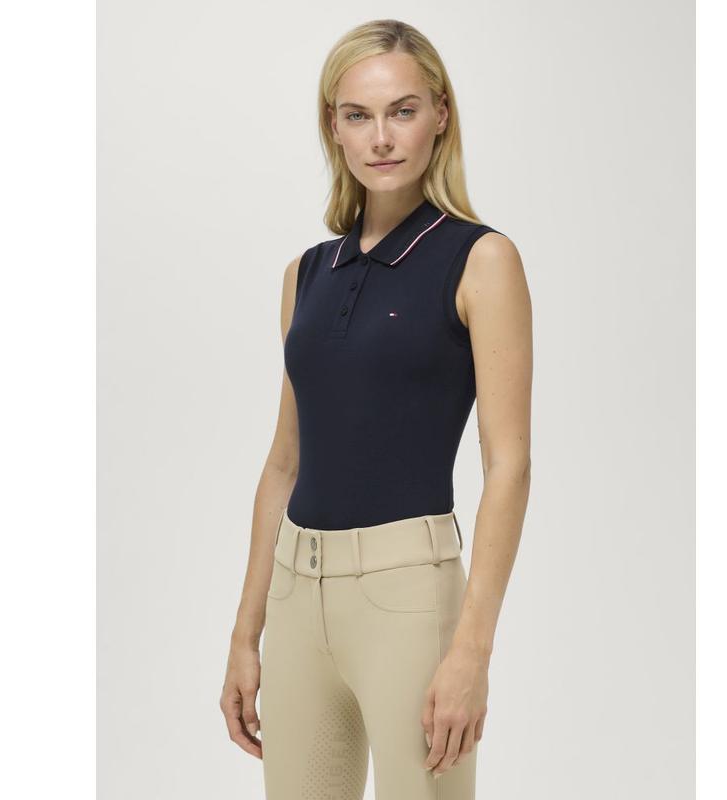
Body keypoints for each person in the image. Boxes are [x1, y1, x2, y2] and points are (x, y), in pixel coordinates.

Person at [220, 18, 533, 800]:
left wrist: (472, 652)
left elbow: (509, 464)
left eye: (403, 110)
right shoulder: (306, 274)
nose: (381, 137)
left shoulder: (479, 259)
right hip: (296, 595)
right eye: (358, 115)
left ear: (441, 115)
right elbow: (284, 462)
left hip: (408, 598)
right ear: (333, 126)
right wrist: (246, 632)